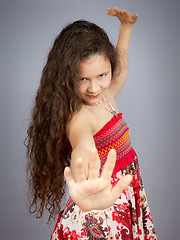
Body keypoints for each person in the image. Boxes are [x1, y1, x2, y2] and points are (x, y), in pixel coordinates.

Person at [25, 4, 157, 240]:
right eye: (82, 79)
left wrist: (126, 28)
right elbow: (82, 148)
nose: (94, 88)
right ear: (66, 78)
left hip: (123, 196)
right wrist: (84, 181)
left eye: (102, 76)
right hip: (100, 210)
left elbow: (122, 71)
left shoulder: (106, 97)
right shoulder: (78, 116)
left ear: (109, 69)